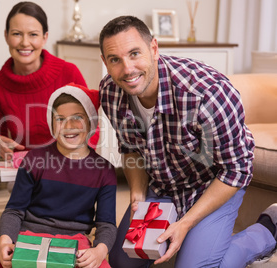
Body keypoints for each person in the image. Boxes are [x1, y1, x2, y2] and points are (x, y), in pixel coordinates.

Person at [98, 15, 277, 267]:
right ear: (105, 62)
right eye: (115, 60)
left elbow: (236, 170)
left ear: (154, 48)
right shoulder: (110, 92)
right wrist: (138, 196)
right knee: (122, 261)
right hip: (162, 182)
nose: (127, 69)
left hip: (212, 181)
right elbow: (130, 148)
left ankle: (266, 229)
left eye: (135, 53)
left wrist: (186, 223)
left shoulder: (207, 93)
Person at [0, 84, 117, 268]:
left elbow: (106, 224)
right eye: (60, 119)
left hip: (77, 244)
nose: (69, 126)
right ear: (52, 124)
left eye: (78, 118)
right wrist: (5, 241)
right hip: (31, 238)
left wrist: (99, 251)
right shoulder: (34, 160)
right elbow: (14, 210)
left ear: (91, 122)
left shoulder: (104, 170)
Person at [0, 1, 90, 160]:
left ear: (44, 37)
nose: (25, 42)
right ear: (6, 36)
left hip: (71, 164)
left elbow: (93, 125)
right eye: (16, 34)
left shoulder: (69, 73)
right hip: (27, 169)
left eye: (33, 34)